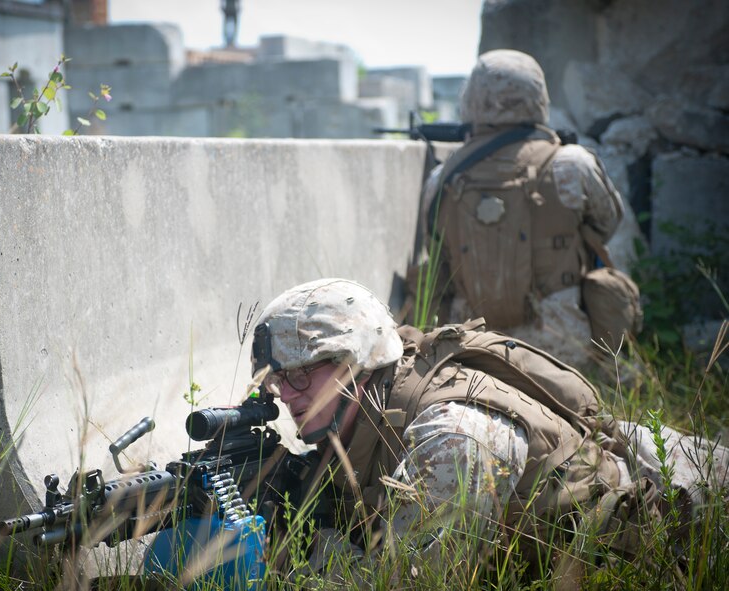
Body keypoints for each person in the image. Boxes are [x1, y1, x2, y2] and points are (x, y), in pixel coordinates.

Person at [252, 278, 727, 586]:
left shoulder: (453, 437)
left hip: (685, 502)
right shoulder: (369, 405)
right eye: (277, 379)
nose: (286, 394)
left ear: (358, 360)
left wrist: (292, 554)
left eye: (302, 373)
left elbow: (410, 580)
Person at [414, 49, 640, 369]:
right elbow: (608, 223)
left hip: (474, 349)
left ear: (472, 100)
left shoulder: (443, 177)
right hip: (562, 348)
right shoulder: (571, 164)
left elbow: (434, 245)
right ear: (538, 98)